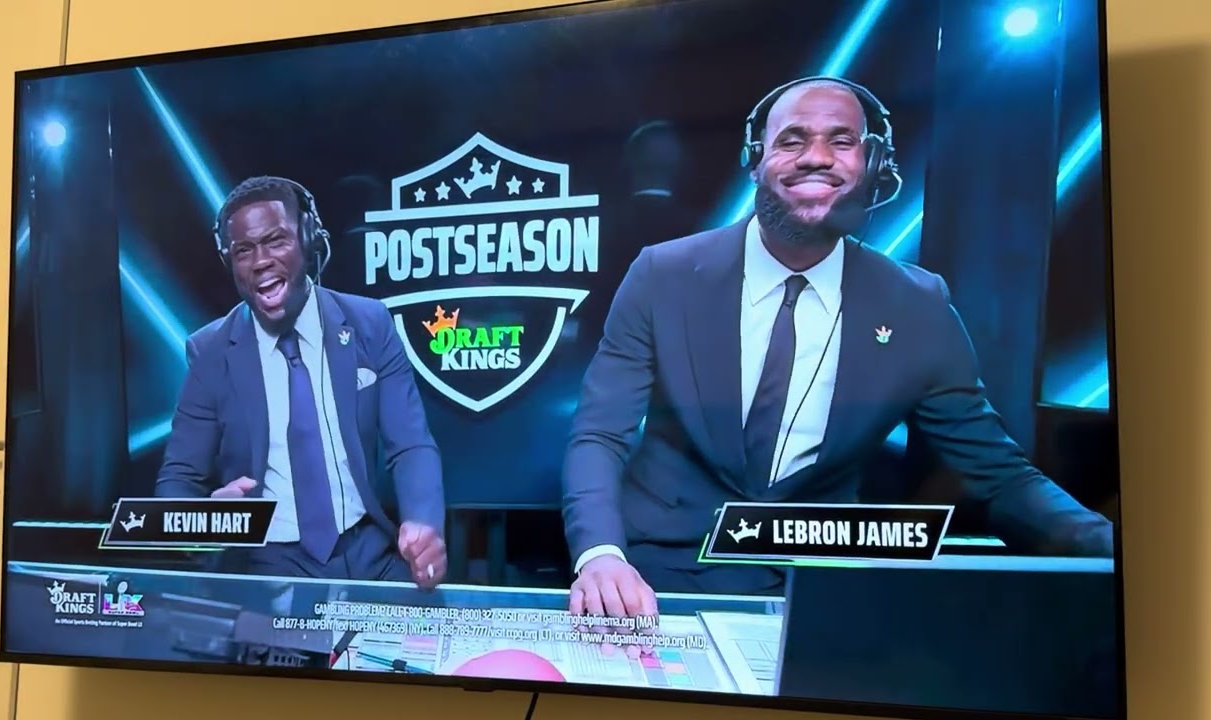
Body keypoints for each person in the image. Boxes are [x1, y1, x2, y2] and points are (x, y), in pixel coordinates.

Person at [561, 77, 1115, 615]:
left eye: (841, 141)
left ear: (874, 167)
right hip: (659, 574)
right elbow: (600, 433)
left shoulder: (917, 304)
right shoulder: (663, 274)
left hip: (825, 585)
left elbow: (997, 474)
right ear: (755, 160)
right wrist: (601, 556)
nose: (816, 157)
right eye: (792, 140)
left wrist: (1114, 547)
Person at [155, 175, 446, 587]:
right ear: (228, 261)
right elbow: (178, 482)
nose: (260, 261)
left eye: (276, 241)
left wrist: (423, 523)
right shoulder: (210, 352)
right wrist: (204, 521)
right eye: (244, 250)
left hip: (369, 551)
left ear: (308, 240)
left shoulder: (369, 323)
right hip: (266, 564)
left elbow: (411, 444)